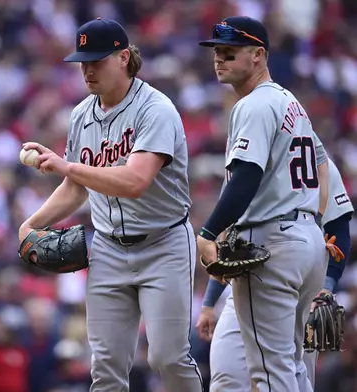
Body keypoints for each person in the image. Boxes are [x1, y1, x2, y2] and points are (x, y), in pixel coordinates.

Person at [19, 18, 203, 392]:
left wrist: (68, 165)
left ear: (123, 58)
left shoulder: (156, 110)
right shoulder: (81, 114)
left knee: (166, 358)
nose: (87, 69)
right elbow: (76, 187)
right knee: (105, 367)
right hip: (107, 247)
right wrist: (31, 224)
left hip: (163, 244)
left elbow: (135, 181)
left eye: (97, 60)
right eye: (83, 61)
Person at [196, 16, 329, 392]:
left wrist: (208, 232)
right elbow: (322, 165)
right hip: (306, 241)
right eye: (217, 52)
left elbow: (247, 179)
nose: (219, 59)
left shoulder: (254, 105)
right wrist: (313, 218)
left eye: (230, 52)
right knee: (293, 367)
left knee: (270, 374)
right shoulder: (291, 103)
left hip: (273, 243)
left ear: (258, 55)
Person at [197, 156, 352, 392]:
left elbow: (339, 226)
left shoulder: (316, 160)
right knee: (226, 379)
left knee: (291, 377)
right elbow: (227, 237)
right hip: (243, 285)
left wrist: (326, 287)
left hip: (299, 288)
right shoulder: (243, 161)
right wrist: (209, 303)